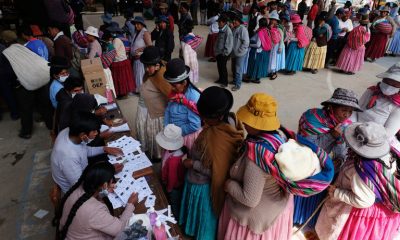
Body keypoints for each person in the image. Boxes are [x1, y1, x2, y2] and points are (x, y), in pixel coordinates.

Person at [219, 93, 333, 240]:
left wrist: (228, 184)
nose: (244, 123)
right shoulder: (280, 136)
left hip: (256, 221)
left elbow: (249, 199)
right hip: (279, 208)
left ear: (257, 124)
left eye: (248, 120)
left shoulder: (256, 159)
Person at [315, 122, 400, 240]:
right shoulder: (389, 155)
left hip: (361, 212)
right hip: (383, 211)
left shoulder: (359, 171)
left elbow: (365, 201)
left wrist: (337, 193)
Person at [180, 86, 244, 240]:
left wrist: (192, 164)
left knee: (203, 219)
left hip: (205, 188)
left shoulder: (215, 138)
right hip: (206, 183)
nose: (203, 120)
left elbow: (217, 171)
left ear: (218, 116)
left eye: (206, 118)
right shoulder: (231, 121)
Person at [294, 88, 362, 230]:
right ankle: (294, 216)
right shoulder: (311, 118)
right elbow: (307, 148)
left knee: (318, 193)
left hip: (326, 168)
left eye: (350, 111)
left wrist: (339, 159)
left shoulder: (346, 125)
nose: (347, 115)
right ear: (331, 106)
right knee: (302, 195)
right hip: (305, 165)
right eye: (344, 109)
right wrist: (331, 135)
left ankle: (306, 219)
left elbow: (342, 150)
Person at [57, 161, 139, 239]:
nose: (113, 184)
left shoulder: (78, 189)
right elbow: (121, 231)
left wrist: (103, 193)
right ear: (104, 185)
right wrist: (130, 205)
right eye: (111, 181)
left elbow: (89, 200)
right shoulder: (95, 211)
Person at [51, 112, 123, 194]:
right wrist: (106, 176)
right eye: (94, 131)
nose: (97, 133)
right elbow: (81, 187)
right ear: (83, 135)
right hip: (76, 191)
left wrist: (104, 148)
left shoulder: (69, 132)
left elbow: (84, 150)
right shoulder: (68, 157)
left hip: (82, 174)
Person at [352, 63, 400, 154]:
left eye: (394, 83)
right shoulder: (371, 91)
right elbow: (356, 109)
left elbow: (388, 133)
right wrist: (350, 125)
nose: (389, 84)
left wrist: (362, 134)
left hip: (375, 141)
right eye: (387, 80)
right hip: (354, 127)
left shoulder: (398, 107)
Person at [136, 46, 172, 160]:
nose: (146, 69)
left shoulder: (162, 76)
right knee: (148, 134)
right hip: (145, 109)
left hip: (155, 114)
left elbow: (171, 96)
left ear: (157, 65)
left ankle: (158, 155)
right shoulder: (152, 72)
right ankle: (150, 151)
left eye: (148, 66)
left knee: (155, 135)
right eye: (145, 66)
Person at [164, 59, 202, 151]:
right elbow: (168, 110)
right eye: (171, 85)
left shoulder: (192, 96)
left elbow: (194, 125)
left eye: (174, 85)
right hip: (172, 134)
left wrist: (175, 133)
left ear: (184, 83)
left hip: (185, 138)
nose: (172, 88)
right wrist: (166, 128)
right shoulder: (175, 91)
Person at [156, 124, 186, 218]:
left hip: (173, 187)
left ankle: (175, 219)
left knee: (174, 203)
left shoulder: (174, 160)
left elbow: (172, 177)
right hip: (175, 184)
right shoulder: (172, 152)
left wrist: (169, 188)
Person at [105, 23, 135, 97]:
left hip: (120, 62)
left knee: (121, 79)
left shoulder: (116, 40)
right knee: (121, 79)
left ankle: (122, 94)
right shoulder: (116, 39)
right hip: (120, 61)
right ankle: (122, 93)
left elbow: (113, 52)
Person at [246, 18, 277, 83]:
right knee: (261, 65)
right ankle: (257, 77)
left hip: (259, 51)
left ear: (260, 24)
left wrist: (249, 45)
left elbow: (258, 44)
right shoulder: (267, 30)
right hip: (266, 51)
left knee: (255, 65)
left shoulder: (261, 32)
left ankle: (254, 78)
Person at [128, 16, 152, 93]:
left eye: (138, 24)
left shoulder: (145, 33)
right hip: (135, 59)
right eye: (135, 24)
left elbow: (150, 46)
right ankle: (139, 90)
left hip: (141, 59)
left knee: (140, 75)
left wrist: (141, 49)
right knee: (137, 75)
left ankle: (142, 91)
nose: (136, 26)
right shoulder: (136, 33)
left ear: (142, 24)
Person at [229, 10, 249, 91]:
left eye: (236, 20)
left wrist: (240, 51)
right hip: (234, 52)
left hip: (240, 53)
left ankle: (238, 85)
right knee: (233, 68)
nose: (234, 21)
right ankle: (234, 81)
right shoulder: (235, 28)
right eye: (234, 20)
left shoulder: (243, 29)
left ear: (240, 21)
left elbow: (246, 42)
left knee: (238, 69)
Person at [214, 14, 233, 87]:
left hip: (223, 54)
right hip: (219, 52)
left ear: (224, 22)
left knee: (223, 68)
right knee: (219, 66)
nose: (218, 23)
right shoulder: (221, 29)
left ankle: (225, 82)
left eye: (220, 22)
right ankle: (220, 79)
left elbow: (229, 44)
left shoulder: (228, 31)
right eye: (218, 22)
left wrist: (225, 53)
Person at [268, 10, 285, 80]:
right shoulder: (271, 27)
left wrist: (280, 47)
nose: (272, 21)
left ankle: (274, 73)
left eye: (273, 20)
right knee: (272, 59)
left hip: (278, 46)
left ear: (276, 20)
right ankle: (271, 71)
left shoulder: (279, 28)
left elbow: (281, 38)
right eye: (271, 19)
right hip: (273, 46)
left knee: (275, 60)